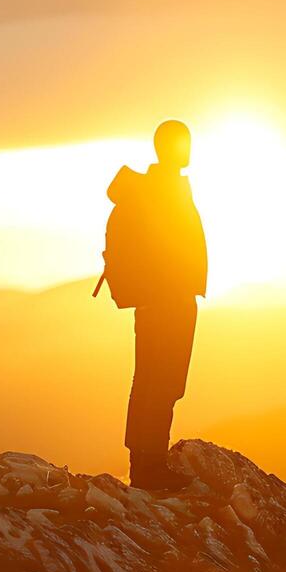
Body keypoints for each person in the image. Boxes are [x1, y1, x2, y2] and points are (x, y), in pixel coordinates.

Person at [100, 119, 208, 490]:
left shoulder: (154, 189)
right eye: (184, 143)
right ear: (171, 148)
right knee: (163, 382)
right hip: (169, 300)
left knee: (148, 380)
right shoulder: (164, 191)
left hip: (155, 300)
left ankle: (142, 463)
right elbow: (171, 249)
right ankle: (152, 467)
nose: (189, 149)